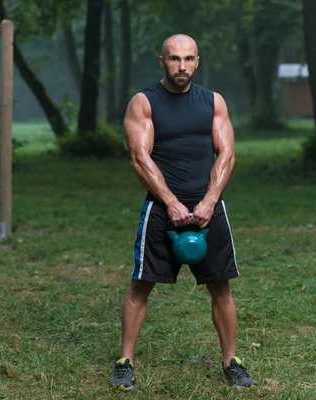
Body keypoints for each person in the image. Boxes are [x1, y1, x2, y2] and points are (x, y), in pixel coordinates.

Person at [108, 33, 257, 391]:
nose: (182, 66)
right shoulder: (144, 102)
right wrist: (171, 202)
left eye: (188, 59)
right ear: (162, 61)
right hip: (162, 209)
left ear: (197, 62)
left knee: (221, 288)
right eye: (174, 59)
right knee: (140, 286)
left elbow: (227, 154)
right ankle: (125, 361)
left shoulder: (213, 102)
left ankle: (231, 361)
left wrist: (208, 202)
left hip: (209, 206)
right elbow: (139, 158)